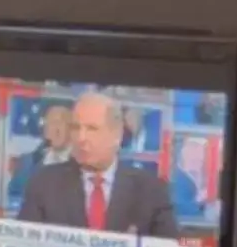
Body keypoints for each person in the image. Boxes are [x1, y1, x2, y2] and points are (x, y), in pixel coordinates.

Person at [16, 90, 179, 238]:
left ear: (117, 134)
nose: (81, 138)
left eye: (92, 129)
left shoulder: (151, 190)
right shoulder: (44, 183)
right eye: (75, 128)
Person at [4, 95, 73, 202]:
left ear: (72, 128)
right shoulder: (28, 162)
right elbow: (14, 196)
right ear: (44, 129)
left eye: (61, 123)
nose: (57, 129)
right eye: (52, 123)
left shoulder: (83, 162)